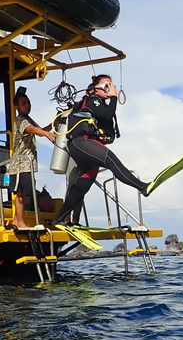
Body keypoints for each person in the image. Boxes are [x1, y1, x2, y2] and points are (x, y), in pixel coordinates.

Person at [52, 74, 154, 227]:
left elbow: (108, 126)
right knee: (113, 162)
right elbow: (108, 114)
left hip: (85, 146)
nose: (109, 89)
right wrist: (113, 97)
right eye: (106, 86)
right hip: (81, 143)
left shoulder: (98, 104)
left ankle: (59, 218)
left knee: (82, 186)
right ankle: (143, 187)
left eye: (111, 86)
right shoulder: (93, 100)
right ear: (95, 88)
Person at [7, 86, 55, 230]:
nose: (27, 105)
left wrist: (54, 124)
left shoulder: (28, 119)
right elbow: (33, 130)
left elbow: (40, 130)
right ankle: (20, 222)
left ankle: (17, 221)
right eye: (23, 103)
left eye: (28, 103)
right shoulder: (20, 120)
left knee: (24, 193)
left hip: (27, 164)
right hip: (21, 163)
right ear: (17, 107)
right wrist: (46, 134)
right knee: (21, 194)